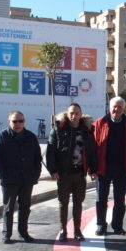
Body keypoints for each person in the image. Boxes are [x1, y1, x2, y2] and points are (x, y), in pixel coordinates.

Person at [46, 103, 97, 243]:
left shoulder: (87, 130)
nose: (74, 116)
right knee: (63, 202)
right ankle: (63, 229)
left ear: (81, 114)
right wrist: (53, 170)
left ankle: (77, 230)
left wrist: (93, 170)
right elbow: (50, 152)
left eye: (76, 113)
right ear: (67, 114)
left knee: (78, 202)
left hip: (80, 173)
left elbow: (92, 151)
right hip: (63, 173)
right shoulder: (58, 129)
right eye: (71, 113)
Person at [0, 110, 42, 244]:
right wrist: (3, 175)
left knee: (25, 208)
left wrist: (35, 175)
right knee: (8, 208)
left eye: (20, 121)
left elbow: (38, 158)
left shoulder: (31, 137)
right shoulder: (1, 137)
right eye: (14, 121)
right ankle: (6, 234)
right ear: (9, 122)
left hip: (27, 180)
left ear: (24, 121)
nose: (18, 124)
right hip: (9, 180)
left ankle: (23, 233)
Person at [92, 96, 126, 235]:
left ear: (123, 109)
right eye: (114, 106)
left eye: (120, 107)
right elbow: (93, 147)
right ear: (109, 108)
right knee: (101, 199)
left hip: (122, 168)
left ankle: (117, 226)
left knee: (120, 200)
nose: (117, 109)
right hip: (103, 167)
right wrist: (92, 168)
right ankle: (101, 225)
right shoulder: (99, 123)